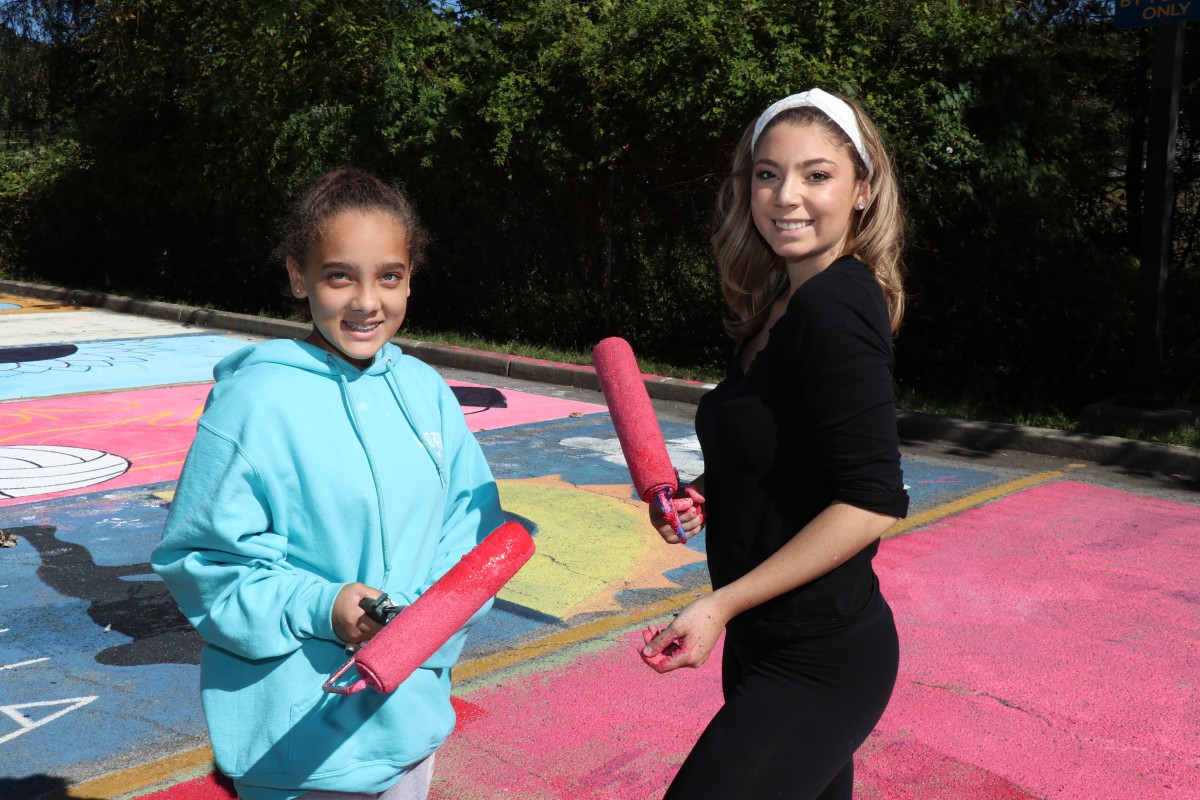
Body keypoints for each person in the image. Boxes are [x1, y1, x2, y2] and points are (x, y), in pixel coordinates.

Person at [152, 168, 504, 800]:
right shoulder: (253, 405)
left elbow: (471, 530)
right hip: (297, 748)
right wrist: (325, 605)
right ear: (297, 276)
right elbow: (203, 560)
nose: (367, 301)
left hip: (410, 726)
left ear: (409, 279)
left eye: (389, 276)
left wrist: (431, 621)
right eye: (340, 275)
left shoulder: (426, 392)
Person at [640, 88, 909, 799]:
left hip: (820, 656)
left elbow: (873, 501)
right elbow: (783, 460)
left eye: (816, 174)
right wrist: (707, 494)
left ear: (862, 190)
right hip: (766, 644)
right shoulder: (778, 308)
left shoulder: (835, 304)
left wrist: (719, 605)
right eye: (767, 173)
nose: (786, 196)